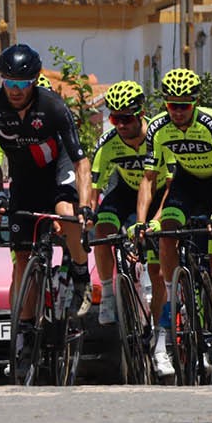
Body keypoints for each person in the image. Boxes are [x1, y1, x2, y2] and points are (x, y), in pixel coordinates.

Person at [0, 44, 93, 376]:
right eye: (8, 82)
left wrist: (85, 207)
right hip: (24, 179)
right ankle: (24, 332)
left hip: (58, 172)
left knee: (66, 211)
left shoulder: (52, 107)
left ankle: (80, 274)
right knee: (23, 259)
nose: (14, 90)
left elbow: (82, 162)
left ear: (34, 82)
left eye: (22, 84)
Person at [135, 68, 212, 380]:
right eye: (172, 105)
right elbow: (149, 179)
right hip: (186, 184)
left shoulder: (211, 123)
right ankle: (170, 296)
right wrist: (141, 222)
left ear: (195, 103)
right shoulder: (157, 127)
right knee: (166, 230)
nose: (177, 112)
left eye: (184, 106)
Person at [88, 80, 164, 327]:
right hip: (126, 191)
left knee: (155, 265)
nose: (120, 125)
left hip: (159, 192)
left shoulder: (158, 134)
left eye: (126, 119)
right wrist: (87, 212)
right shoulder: (109, 142)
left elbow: (174, 181)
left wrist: (156, 220)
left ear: (141, 114)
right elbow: (95, 186)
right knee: (101, 230)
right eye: (114, 119)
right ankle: (109, 293)